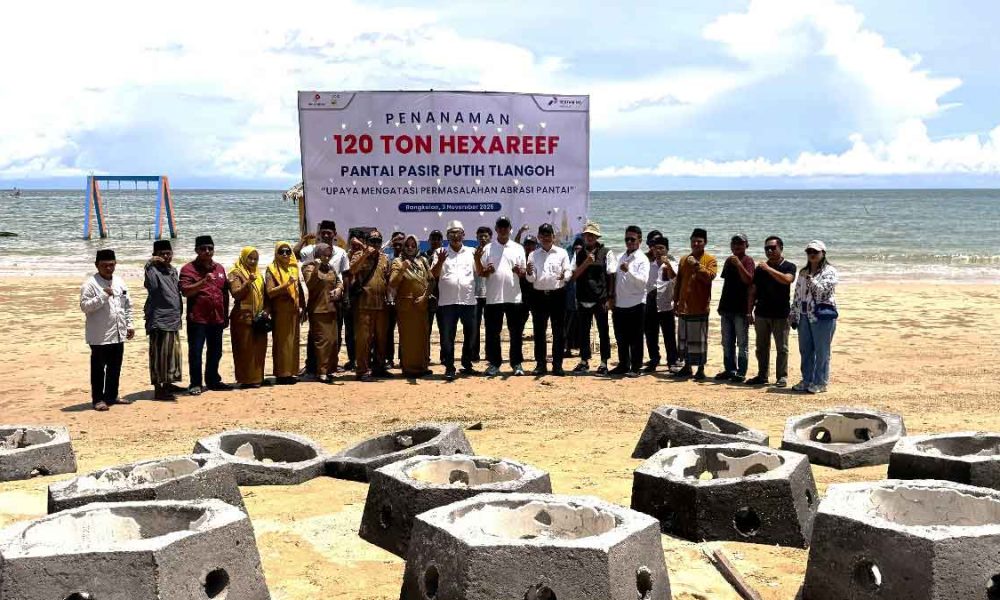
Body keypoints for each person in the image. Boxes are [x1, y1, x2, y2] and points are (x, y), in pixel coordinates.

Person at [80, 249, 135, 411]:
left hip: (118, 332)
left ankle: (111, 396)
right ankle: (98, 400)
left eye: (111, 265)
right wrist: (102, 297)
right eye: (105, 265)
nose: (109, 268)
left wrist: (129, 324)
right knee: (98, 369)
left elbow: (127, 305)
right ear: (97, 265)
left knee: (115, 367)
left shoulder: (119, 281)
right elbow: (85, 307)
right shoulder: (90, 284)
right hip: (100, 335)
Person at [296, 220, 350, 377]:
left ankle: (330, 367)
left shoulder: (340, 254)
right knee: (318, 339)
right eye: (323, 232)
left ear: (334, 234)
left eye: (329, 232)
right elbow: (309, 281)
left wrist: (341, 291)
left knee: (333, 339)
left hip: (334, 304)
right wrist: (304, 239)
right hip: (318, 306)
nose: (326, 257)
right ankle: (315, 367)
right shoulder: (309, 260)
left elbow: (343, 277)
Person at [180, 235, 231, 395]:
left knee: (216, 351)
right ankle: (195, 383)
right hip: (198, 318)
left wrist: (226, 315)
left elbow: (225, 293)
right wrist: (203, 281)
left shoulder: (219, 268)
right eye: (203, 249)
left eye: (210, 248)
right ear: (196, 250)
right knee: (196, 351)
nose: (207, 251)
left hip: (217, 317)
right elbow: (185, 291)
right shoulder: (188, 269)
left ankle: (213, 380)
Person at [476, 216, 527, 377]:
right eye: (501, 226)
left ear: (510, 229)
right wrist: (487, 270)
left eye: (506, 227)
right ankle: (494, 364)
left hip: (514, 297)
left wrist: (520, 271)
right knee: (493, 333)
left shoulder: (518, 248)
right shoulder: (488, 248)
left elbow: (524, 273)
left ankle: (516, 363)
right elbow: (481, 272)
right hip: (493, 297)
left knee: (516, 333)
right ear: (496, 229)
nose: (503, 229)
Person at [745, 236, 796, 387]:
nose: (769, 251)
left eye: (773, 248)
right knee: (761, 348)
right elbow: (753, 290)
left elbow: (787, 280)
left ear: (781, 248)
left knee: (782, 348)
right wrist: (749, 311)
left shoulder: (789, 266)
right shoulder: (760, 269)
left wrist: (768, 269)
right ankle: (762, 376)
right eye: (767, 248)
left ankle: (782, 377)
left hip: (781, 314)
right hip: (761, 313)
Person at [431, 220, 478, 381]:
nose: (455, 236)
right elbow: (434, 274)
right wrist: (440, 261)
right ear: (447, 236)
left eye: (458, 233)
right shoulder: (440, 252)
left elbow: (480, 272)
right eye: (452, 233)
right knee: (447, 336)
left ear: (463, 235)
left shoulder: (472, 252)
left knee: (470, 334)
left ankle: (466, 363)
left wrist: (479, 260)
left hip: (468, 300)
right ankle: (449, 366)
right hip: (447, 302)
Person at [790, 240, 839, 394]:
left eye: (815, 252)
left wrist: (811, 279)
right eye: (809, 251)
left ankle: (820, 382)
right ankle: (807, 380)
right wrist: (793, 312)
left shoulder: (830, 271)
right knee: (805, 350)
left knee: (822, 351)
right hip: (803, 315)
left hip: (821, 315)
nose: (812, 254)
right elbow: (797, 294)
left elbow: (823, 293)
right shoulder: (803, 272)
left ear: (823, 253)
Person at [525, 223, 572, 376]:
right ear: (539, 237)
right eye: (543, 235)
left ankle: (557, 365)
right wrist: (529, 273)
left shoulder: (562, 252)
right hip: (539, 296)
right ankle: (540, 364)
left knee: (559, 332)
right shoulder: (533, 255)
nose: (546, 238)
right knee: (539, 331)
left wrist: (565, 276)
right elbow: (531, 279)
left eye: (548, 235)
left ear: (553, 236)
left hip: (558, 295)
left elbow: (568, 271)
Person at [672, 228, 718, 380]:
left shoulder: (710, 260)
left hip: (700, 305)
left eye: (699, 241)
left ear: (705, 242)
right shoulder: (684, 259)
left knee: (700, 340)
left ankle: (700, 369)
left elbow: (710, 277)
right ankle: (687, 367)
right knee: (684, 338)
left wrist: (697, 265)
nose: (696, 244)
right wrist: (675, 301)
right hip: (684, 306)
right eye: (693, 241)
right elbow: (678, 281)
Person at [571, 221, 615, 375]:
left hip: (600, 299)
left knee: (603, 331)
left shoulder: (606, 252)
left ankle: (604, 362)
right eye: (587, 235)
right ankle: (584, 361)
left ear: (597, 237)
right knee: (583, 331)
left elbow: (611, 275)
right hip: (583, 297)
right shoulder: (578, 253)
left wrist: (610, 297)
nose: (589, 237)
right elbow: (573, 276)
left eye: (592, 235)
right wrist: (586, 263)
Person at [349, 229, 392, 382]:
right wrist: (365, 254)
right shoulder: (358, 254)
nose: (375, 244)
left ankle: (379, 367)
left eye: (378, 241)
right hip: (364, 304)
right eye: (372, 241)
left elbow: (388, 278)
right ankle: (362, 370)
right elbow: (352, 270)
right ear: (367, 242)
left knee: (381, 339)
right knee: (363, 339)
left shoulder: (384, 258)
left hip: (381, 305)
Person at [144, 240, 183, 400]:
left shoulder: (172, 270)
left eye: (168, 253)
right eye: (162, 254)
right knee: (158, 355)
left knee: (172, 354)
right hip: (159, 319)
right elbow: (152, 287)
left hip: (173, 318)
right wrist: (149, 264)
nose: (166, 256)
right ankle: (158, 388)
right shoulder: (152, 270)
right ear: (155, 255)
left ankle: (168, 383)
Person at [390, 234, 433, 377]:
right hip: (406, 306)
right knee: (408, 339)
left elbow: (431, 280)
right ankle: (409, 369)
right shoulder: (398, 261)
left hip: (422, 305)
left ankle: (422, 367)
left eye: (413, 246)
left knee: (422, 337)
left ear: (417, 247)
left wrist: (425, 297)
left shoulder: (423, 261)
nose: (410, 248)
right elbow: (392, 283)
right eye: (407, 245)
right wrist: (402, 269)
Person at [610, 226, 650, 377]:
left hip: (636, 302)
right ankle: (623, 365)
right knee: (621, 337)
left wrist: (629, 271)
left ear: (640, 240)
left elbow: (643, 282)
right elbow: (615, 279)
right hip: (620, 303)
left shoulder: (642, 259)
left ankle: (636, 367)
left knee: (636, 338)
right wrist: (611, 297)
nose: (629, 242)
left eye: (632, 239)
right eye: (627, 239)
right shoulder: (621, 256)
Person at [715, 234, 756, 382]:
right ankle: (729, 370)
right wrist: (721, 305)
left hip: (740, 309)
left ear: (746, 245)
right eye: (734, 243)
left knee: (742, 343)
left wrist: (739, 264)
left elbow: (749, 280)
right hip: (726, 308)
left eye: (740, 243)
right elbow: (727, 284)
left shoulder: (748, 260)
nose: (737, 246)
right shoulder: (728, 260)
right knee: (727, 342)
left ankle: (741, 372)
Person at [265, 241, 305, 384]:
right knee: (282, 343)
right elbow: (270, 292)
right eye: (281, 251)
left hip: (294, 310)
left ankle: (291, 372)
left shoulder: (293, 268)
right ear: (276, 253)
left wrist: (303, 306)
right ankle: (282, 374)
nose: (285, 254)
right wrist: (286, 285)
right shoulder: (272, 269)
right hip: (280, 310)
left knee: (293, 342)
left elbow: (299, 289)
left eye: (288, 251)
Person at [228, 246, 268, 388]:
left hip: (258, 317)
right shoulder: (235, 273)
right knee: (244, 349)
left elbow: (265, 295)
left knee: (259, 348)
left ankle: (258, 378)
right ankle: (245, 380)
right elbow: (236, 294)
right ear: (243, 258)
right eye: (250, 258)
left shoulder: (258, 274)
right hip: (242, 317)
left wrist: (266, 311)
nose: (252, 261)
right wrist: (248, 282)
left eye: (255, 259)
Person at [303, 243, 344, 383]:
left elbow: (338, 281)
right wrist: (317, 267)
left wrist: (338, 289)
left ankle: (330, 370)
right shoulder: (309, 267)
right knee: (322, 342)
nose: (326, 258)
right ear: (317, 254)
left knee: (333, 341)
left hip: (332, 308)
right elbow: (310, 284)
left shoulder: (330, 267)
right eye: (323, 255)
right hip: (318, 310)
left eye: (328, 255)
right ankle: (321, 372)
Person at [650, 235, 680, 369]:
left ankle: (672, 361)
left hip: (666, 305)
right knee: (651, 335)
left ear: (667, 250)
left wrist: (667, 265)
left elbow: (675, 280)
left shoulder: (673, 264)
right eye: (656, 248)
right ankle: (654, 359)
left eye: (661, 248)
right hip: (651, 304)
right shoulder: (650, 265)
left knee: (669, 335)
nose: (658, 251)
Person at [510, 234, 537, 376]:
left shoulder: (538, 257)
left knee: (539, 330)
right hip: (520, 299)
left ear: (536, 245)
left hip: (536, 298)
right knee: (517, 331)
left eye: (532, 244)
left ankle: (540, 360)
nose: (529, 246)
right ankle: (517, 361)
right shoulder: (518, 257)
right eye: (527, 244)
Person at [642, 229, 664, 372]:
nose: (655, 246)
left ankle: (674, 359)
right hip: (648, 298)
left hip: (665, 299)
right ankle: (654, 358)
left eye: (658, 243)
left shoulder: (668, 258)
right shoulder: (643, 259)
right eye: (652, 243)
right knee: (650, 331)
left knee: (668, 332)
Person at [422, 229, 444, 361]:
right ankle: (426, 356)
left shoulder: (446, 255)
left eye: (438, 239)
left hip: (443, 297)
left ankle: (444, 357)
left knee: (444, 329)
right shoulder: (423, 256)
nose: (435, 241)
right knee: (426, 330)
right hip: (428, 297)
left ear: (442, 241)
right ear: (429, 240)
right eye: (433, 238)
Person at [385, 231, 406, 368]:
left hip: (404, 299)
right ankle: (389, 359)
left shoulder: (409, 258)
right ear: (392, 243)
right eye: (396, 242)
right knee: (388, 331)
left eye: (401, 242)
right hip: (390, 299)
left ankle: (404, 358)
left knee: (404, 330)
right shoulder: (387, 258)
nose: (398, 245)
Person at [471, 226, 492, 362]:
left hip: (491, 294)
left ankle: (489, 354)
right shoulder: (472, 253)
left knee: (490, 326)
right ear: (477, 238)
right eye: (480, 237)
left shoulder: (494, 252)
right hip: (475, 295)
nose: (483, 239)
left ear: (490, 237)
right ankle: (474, 354)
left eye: (485, 236)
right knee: (474, 326)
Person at [563, 237, 584, 357]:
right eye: (576, 248)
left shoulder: (586, 261)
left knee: (582, 325)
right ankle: (568, 349)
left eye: (580, 248)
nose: (577, 250)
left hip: (582, 299)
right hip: (570, 299)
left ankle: (583, 349)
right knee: (568, 325)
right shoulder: (569, 260)